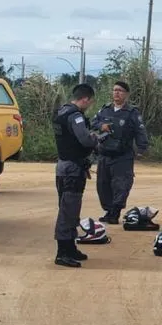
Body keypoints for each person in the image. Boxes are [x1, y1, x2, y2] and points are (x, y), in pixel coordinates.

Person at [52, 83, 99, 268]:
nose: (90, 106)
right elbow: (85, 140)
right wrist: (96, 138)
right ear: (85, 99)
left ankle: (70, 248)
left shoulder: (61, 112)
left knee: (70, 209)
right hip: (72, 168)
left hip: (64, 166)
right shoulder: (75, 116)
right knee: (68, 211)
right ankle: (62, 252)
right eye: (90, 102)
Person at [90, 81, 149, 224]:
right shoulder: (105, 110)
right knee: (103, 185)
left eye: (120, 90)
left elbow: (140, 131)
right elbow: (92, 123)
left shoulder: (132, 113)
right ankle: (108, 210)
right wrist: (101, 126)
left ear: (126, 94)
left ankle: (115, 212)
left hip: (122, 155)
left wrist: (141, 148)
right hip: (104, 154)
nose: (117, 93)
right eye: (115, 90)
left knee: (121, 185)